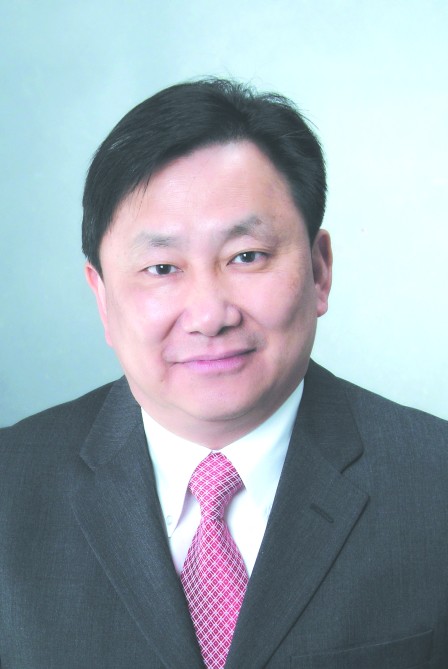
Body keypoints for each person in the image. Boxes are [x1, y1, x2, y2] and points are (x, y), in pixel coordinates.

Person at [0, 78, 447, 669]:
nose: (210, 315)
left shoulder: (434, 483)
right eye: (162, 268)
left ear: (319, 271)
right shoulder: (10, 487)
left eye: (247, 256)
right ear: (102, 298)